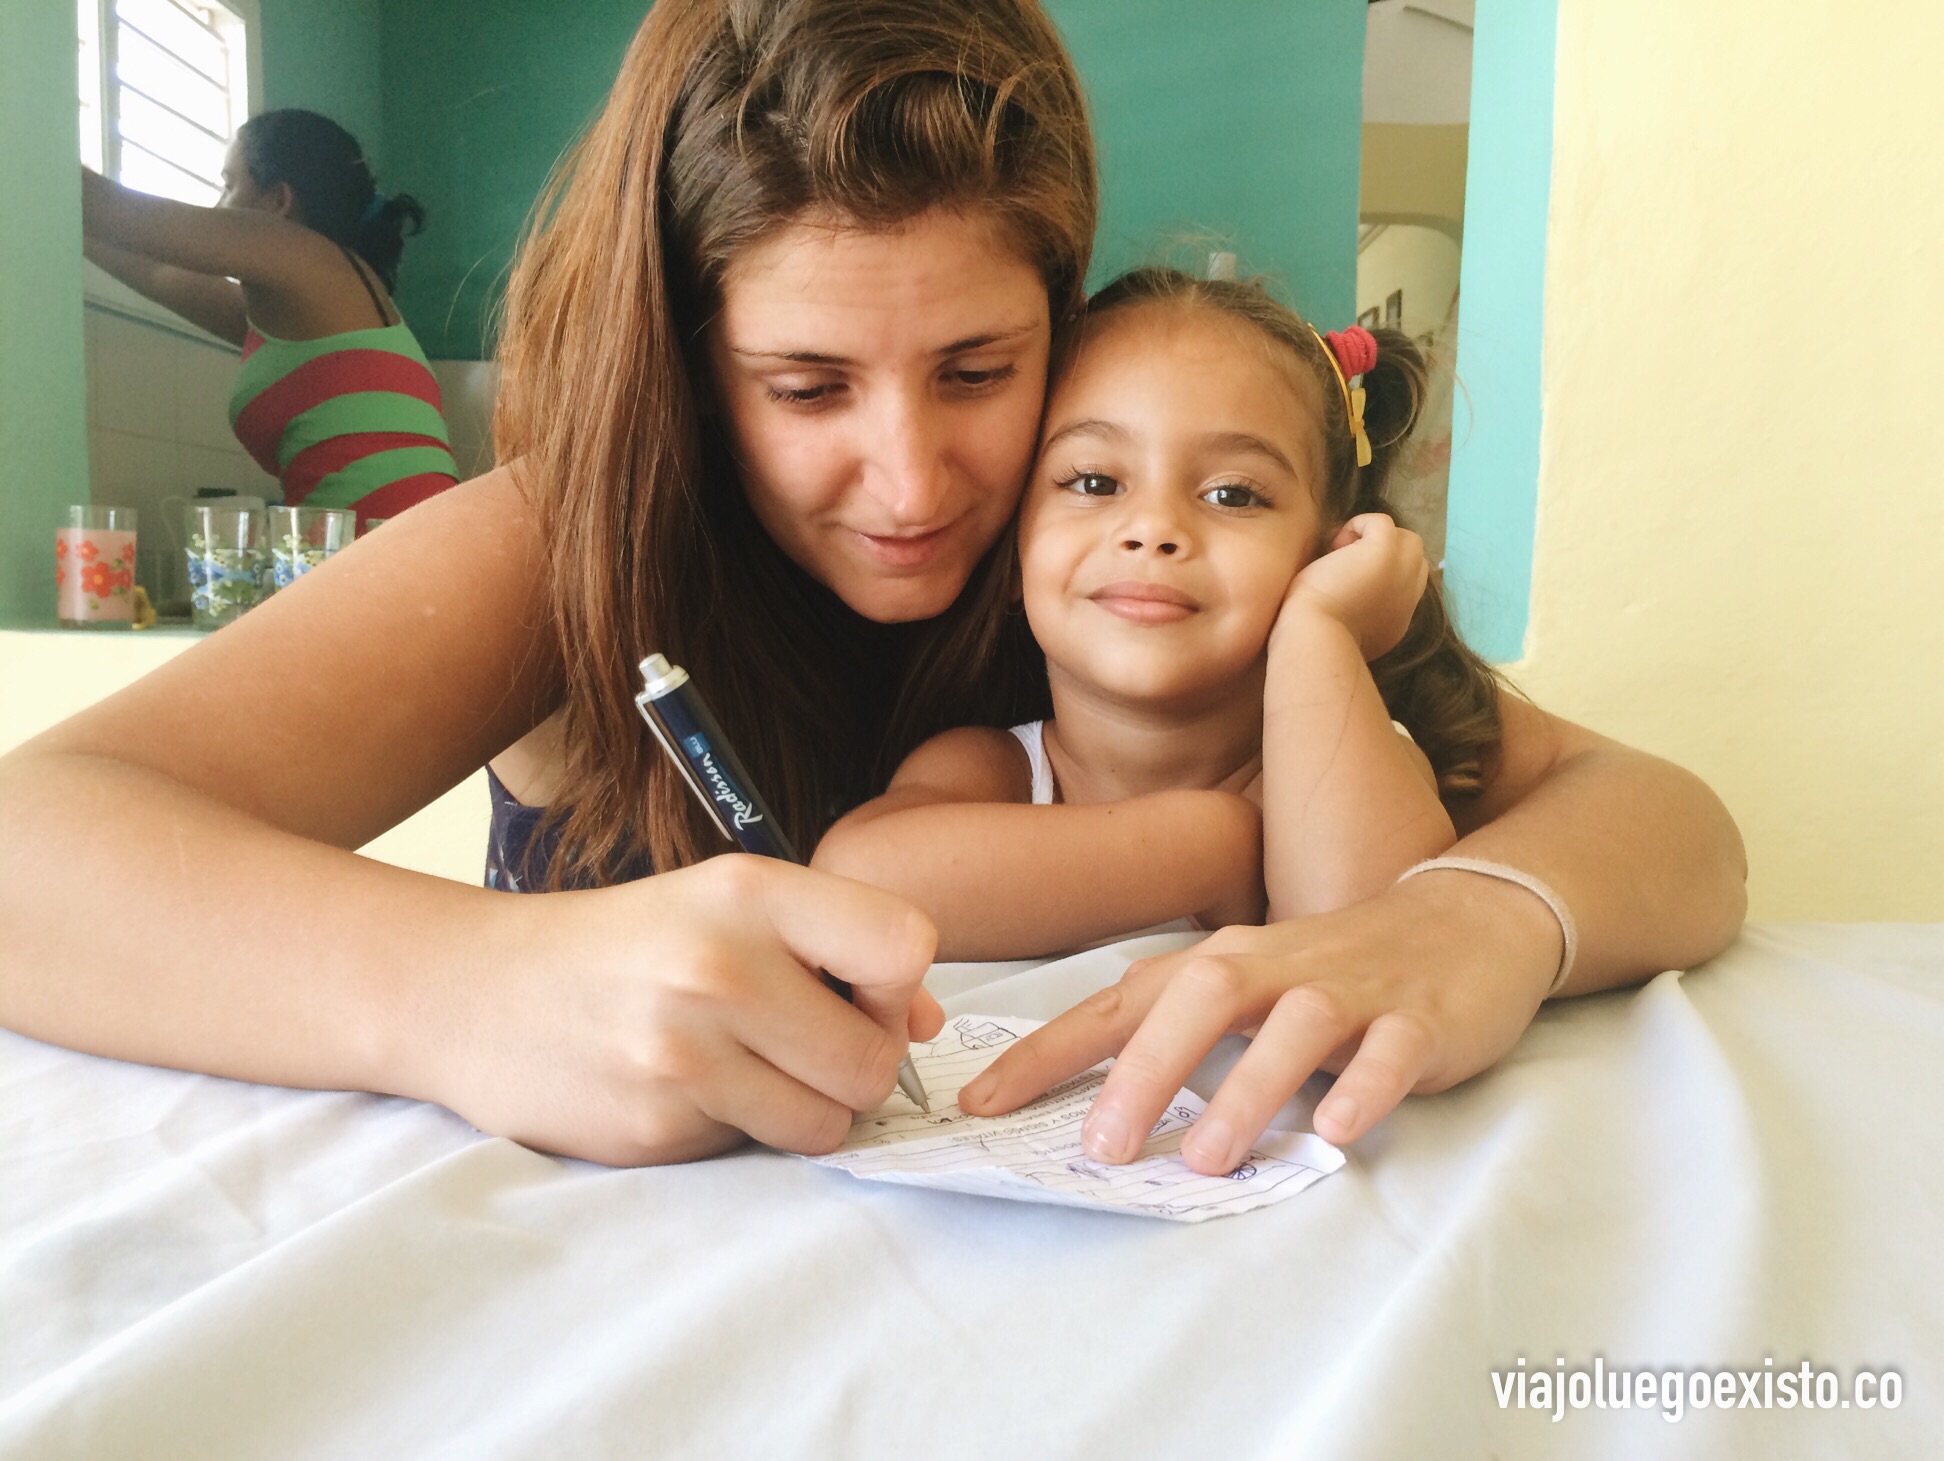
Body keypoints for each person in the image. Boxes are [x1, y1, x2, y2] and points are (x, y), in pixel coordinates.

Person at [0, 0, 1745, 1172]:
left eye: (980, 371)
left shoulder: (1111, 532)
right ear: (688, 359)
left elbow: (1659, 818)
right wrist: (461, 987)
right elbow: (34, 844)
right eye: (807, 387)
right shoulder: (570, 540)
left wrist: (1467, 917)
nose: (911, 486)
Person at [814, 266, 1529, 1169]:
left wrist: (1321, 630)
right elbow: (857, 874)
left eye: (1233, 494)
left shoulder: (1347, 768)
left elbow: (1375, 942)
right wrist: (1214, 841)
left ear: (1328, 547)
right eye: (1093, 480)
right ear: (1014, 539)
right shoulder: (998, 769)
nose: (1153, 527)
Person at [80, 109, 459, 529]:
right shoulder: (307, 304)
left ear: (279, 201)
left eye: (229, 185)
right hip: (412, 549)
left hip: (395, 556)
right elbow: (157, 271)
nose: (217, 206)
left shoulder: (299, 251)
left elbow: (114, 211)